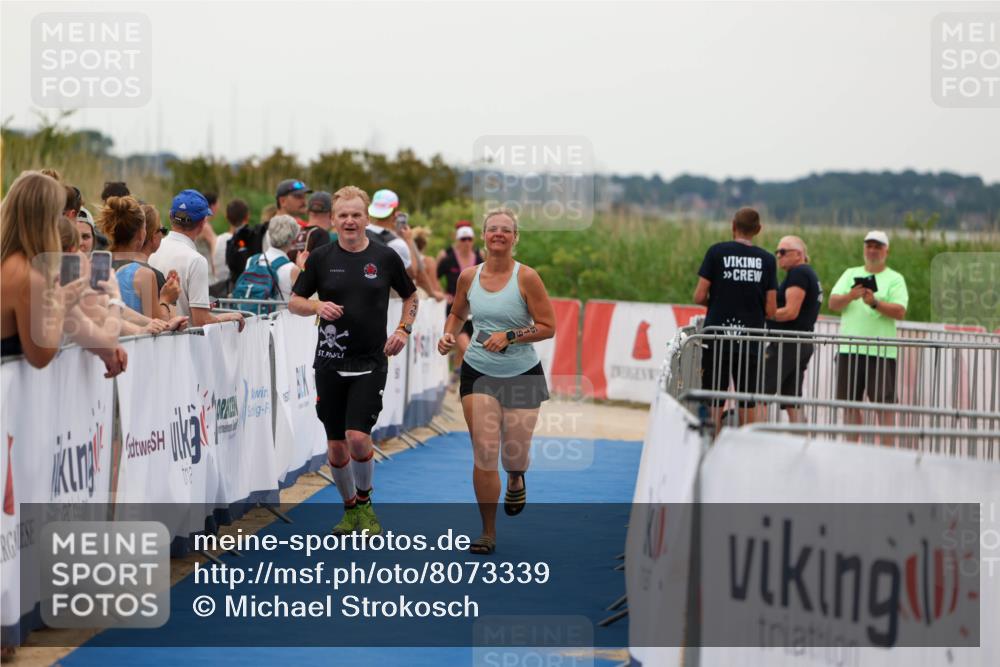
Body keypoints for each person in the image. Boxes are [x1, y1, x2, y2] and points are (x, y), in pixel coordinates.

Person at [288, 185, 418, 537]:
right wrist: (316, 306)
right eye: (342, 215)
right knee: (335, 446)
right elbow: (294, 301)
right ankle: (349, 511)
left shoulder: (386, 257)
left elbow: (411, 295)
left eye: (356, 215)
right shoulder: (321, 258)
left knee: (358, 437)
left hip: (370, 361)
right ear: (333, 219)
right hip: (329, 364)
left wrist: (403, 330)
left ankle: (365, 503)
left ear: (366, 218)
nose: (349, 221)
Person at [437, 208, 555, 555]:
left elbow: (548, 327)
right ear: (484, 236)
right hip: (479, 371)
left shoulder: (527, 278)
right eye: (492, 229)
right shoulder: (468, 276)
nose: (498, 234)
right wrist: (448, 335)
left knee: (513, 455)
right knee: (485, 452)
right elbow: (458, 313)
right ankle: (487, 532)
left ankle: (516, 478)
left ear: (515, 237)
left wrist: (511, 335)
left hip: (522, 374)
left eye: (506, 230)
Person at [0, 171, 127, 377]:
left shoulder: (18, 266)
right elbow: (40, 356)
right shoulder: (27, 275)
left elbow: (102, 341)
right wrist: (114, 296)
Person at [692, 207, 777, 434]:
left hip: (717, 336)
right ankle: (744, 452)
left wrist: (720, 304)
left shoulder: (716, 252)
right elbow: (771, 308)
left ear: (732, 226)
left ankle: (711, 446)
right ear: (758, 230)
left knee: (714, 397)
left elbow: (699, 295)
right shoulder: (768, 260)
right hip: (750, 339)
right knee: (746, 398)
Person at [828, 230, 908, 436]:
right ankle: (852, 452)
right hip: (849, 349)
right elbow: (832, 303)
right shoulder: (849, 273)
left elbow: (900, 312)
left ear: (886, 251)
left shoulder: (895, 278)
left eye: (877, 247)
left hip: (881, 351)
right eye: (869, 246)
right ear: (864, 249)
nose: (872, 250)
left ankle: (888, 454)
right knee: (849, 405)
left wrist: (874, 303)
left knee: (885, 406)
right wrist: (850, 295)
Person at [149, 189, 245, 330]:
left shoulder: (151, 250)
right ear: (203, 222)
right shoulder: (196, 260)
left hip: (152, 340)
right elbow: (201, 320)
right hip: (183, 345)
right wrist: (229, 316)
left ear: (170, 216)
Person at [763, 235, 823, 423]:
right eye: (777, 252)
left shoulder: (799, 273)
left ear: (798, 254)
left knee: (756, 392)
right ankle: (801, 441)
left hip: (788, 343)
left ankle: (754, 442)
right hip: (800, 342)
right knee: (791, 399)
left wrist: (763, 314)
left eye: (782, 251)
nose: (778, 255)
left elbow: (790, 312)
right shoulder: (807, 273)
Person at [437, 221, 484, 368]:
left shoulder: (479, 256)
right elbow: (433, 276)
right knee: (466, 347)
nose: (467, 242)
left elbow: (488, 278)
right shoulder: (447, 256)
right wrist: (441, 293)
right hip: (455, 309)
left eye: (469, 239)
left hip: (475, 309)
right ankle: (477, 376)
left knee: (466, 348)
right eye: (463, 239)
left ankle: (457, 377)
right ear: (457, 239)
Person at [238, 214, 301, 301]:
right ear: (293, 241)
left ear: (269, 235)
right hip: (280, 314)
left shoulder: (252, 261)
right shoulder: (292, 269)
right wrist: (302, 268)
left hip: (252, 314)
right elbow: (301, 301)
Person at [366, 189, 419, 281]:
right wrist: (409, 240)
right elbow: (412, 274)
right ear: (395, 212)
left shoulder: (360, 232)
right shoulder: (397, 243)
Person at [211, 198, 248, 295]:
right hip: (239, 290)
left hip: (219, 290)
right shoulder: (247, 240)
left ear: (227, 217)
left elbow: (214, 267)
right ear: (247, 217)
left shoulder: (219, 239)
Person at [411, 226, 446, 301]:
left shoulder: (406, 260)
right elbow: (434, 286)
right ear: (425, 245)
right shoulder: (428, 261)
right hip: (423, 301)